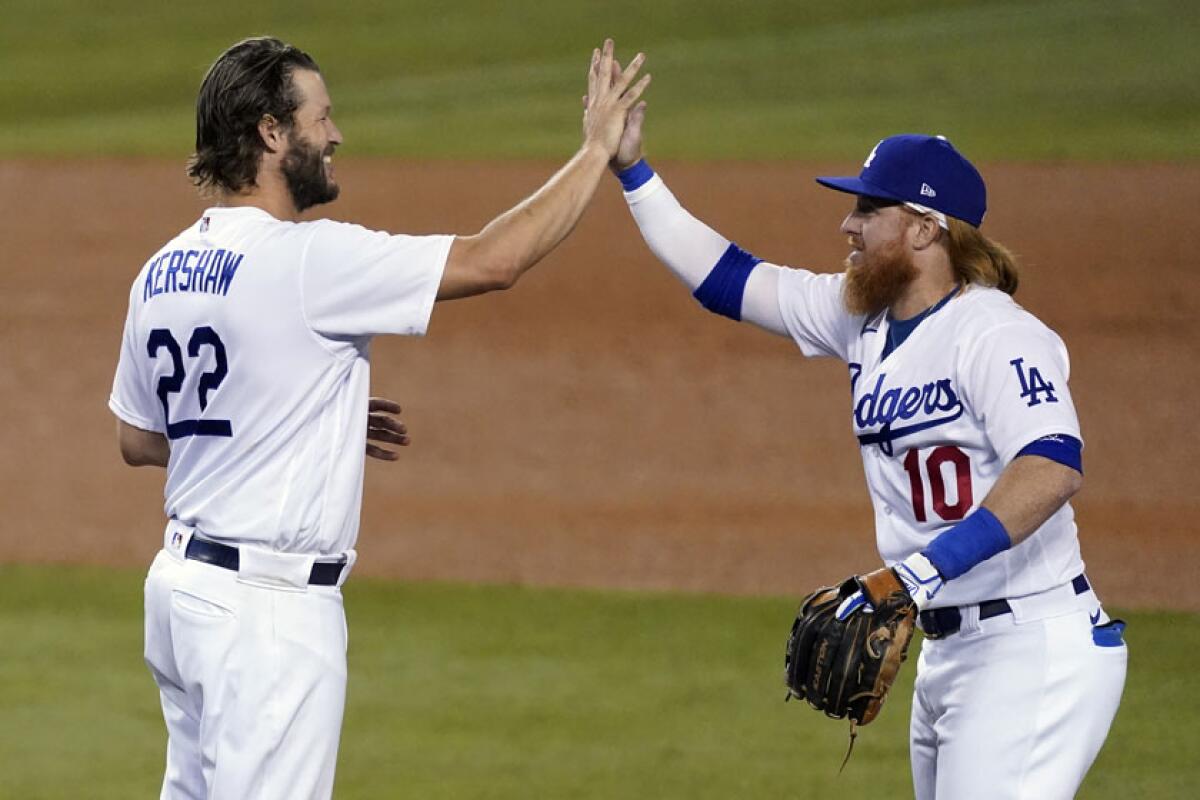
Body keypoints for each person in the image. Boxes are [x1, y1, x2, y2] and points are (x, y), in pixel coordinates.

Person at [109, 36, 648, 799]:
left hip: (183, 599)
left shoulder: (160, 270)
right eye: (320, 118)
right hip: (266, 619)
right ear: (271, 132)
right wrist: (596, 150)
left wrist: (279, 419)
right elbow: (494, 260)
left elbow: (136, 439)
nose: (335, 135)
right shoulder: (308, 259)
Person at [609, 106, 1126, 796]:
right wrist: (631, 170)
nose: (846, 226)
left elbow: (1052, 466)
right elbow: (727, 280)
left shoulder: (995, 334)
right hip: (947, 653)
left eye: (868, 209)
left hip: (1031, 646)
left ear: (924, 228)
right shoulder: (861, 318)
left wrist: (920, 571)